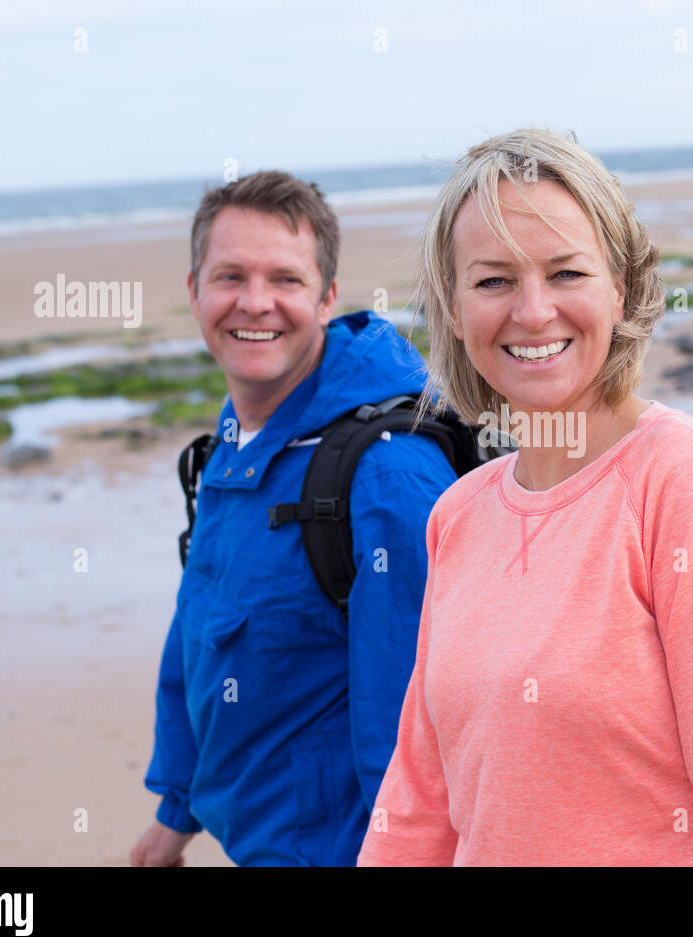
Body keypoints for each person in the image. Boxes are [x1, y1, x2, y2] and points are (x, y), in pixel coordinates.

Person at [358, 129, 693, 866]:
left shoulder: (688, 486)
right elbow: (418, 801)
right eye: (493, 280)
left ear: (623, 288)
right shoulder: (458, 514)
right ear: (454, 309)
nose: (534, 311)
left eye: (567, 272)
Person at [130, 171, 457, 866]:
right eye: (229, 277)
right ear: (194, 292)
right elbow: (200, 637)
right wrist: (175, 813)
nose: (255, 303)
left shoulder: (385, 477)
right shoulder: (236, 443)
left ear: (327, 297)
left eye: (284, 278)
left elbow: (413, 739)